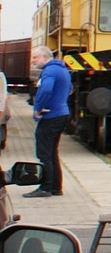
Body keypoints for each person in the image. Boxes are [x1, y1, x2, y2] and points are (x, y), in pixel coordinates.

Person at [28, 46, 69, 198]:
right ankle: (56, 187)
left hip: (51, 116)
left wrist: (38, 108)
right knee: (52, 152)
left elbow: (45, 89)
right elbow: (69, 88)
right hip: (62, 114)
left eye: (35, 57)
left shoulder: (49, 70)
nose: (33, 61)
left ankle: (45, 188)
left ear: (45, 57)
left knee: (44, 153)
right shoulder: (63, 70)